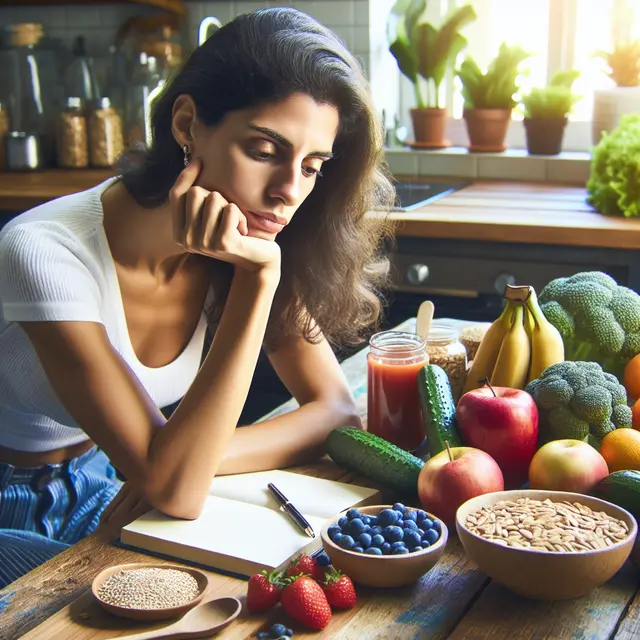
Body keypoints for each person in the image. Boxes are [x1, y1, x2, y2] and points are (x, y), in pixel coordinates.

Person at [0, 7, 395, 588]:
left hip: (105, 485)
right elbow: (176, 488)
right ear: (187, 124)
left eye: (311, 166)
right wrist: (258, 281)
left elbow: (335, 412)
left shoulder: (249, 239)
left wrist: (182, 460)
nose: (289, 191)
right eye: (264, 151)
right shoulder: (44, 251)